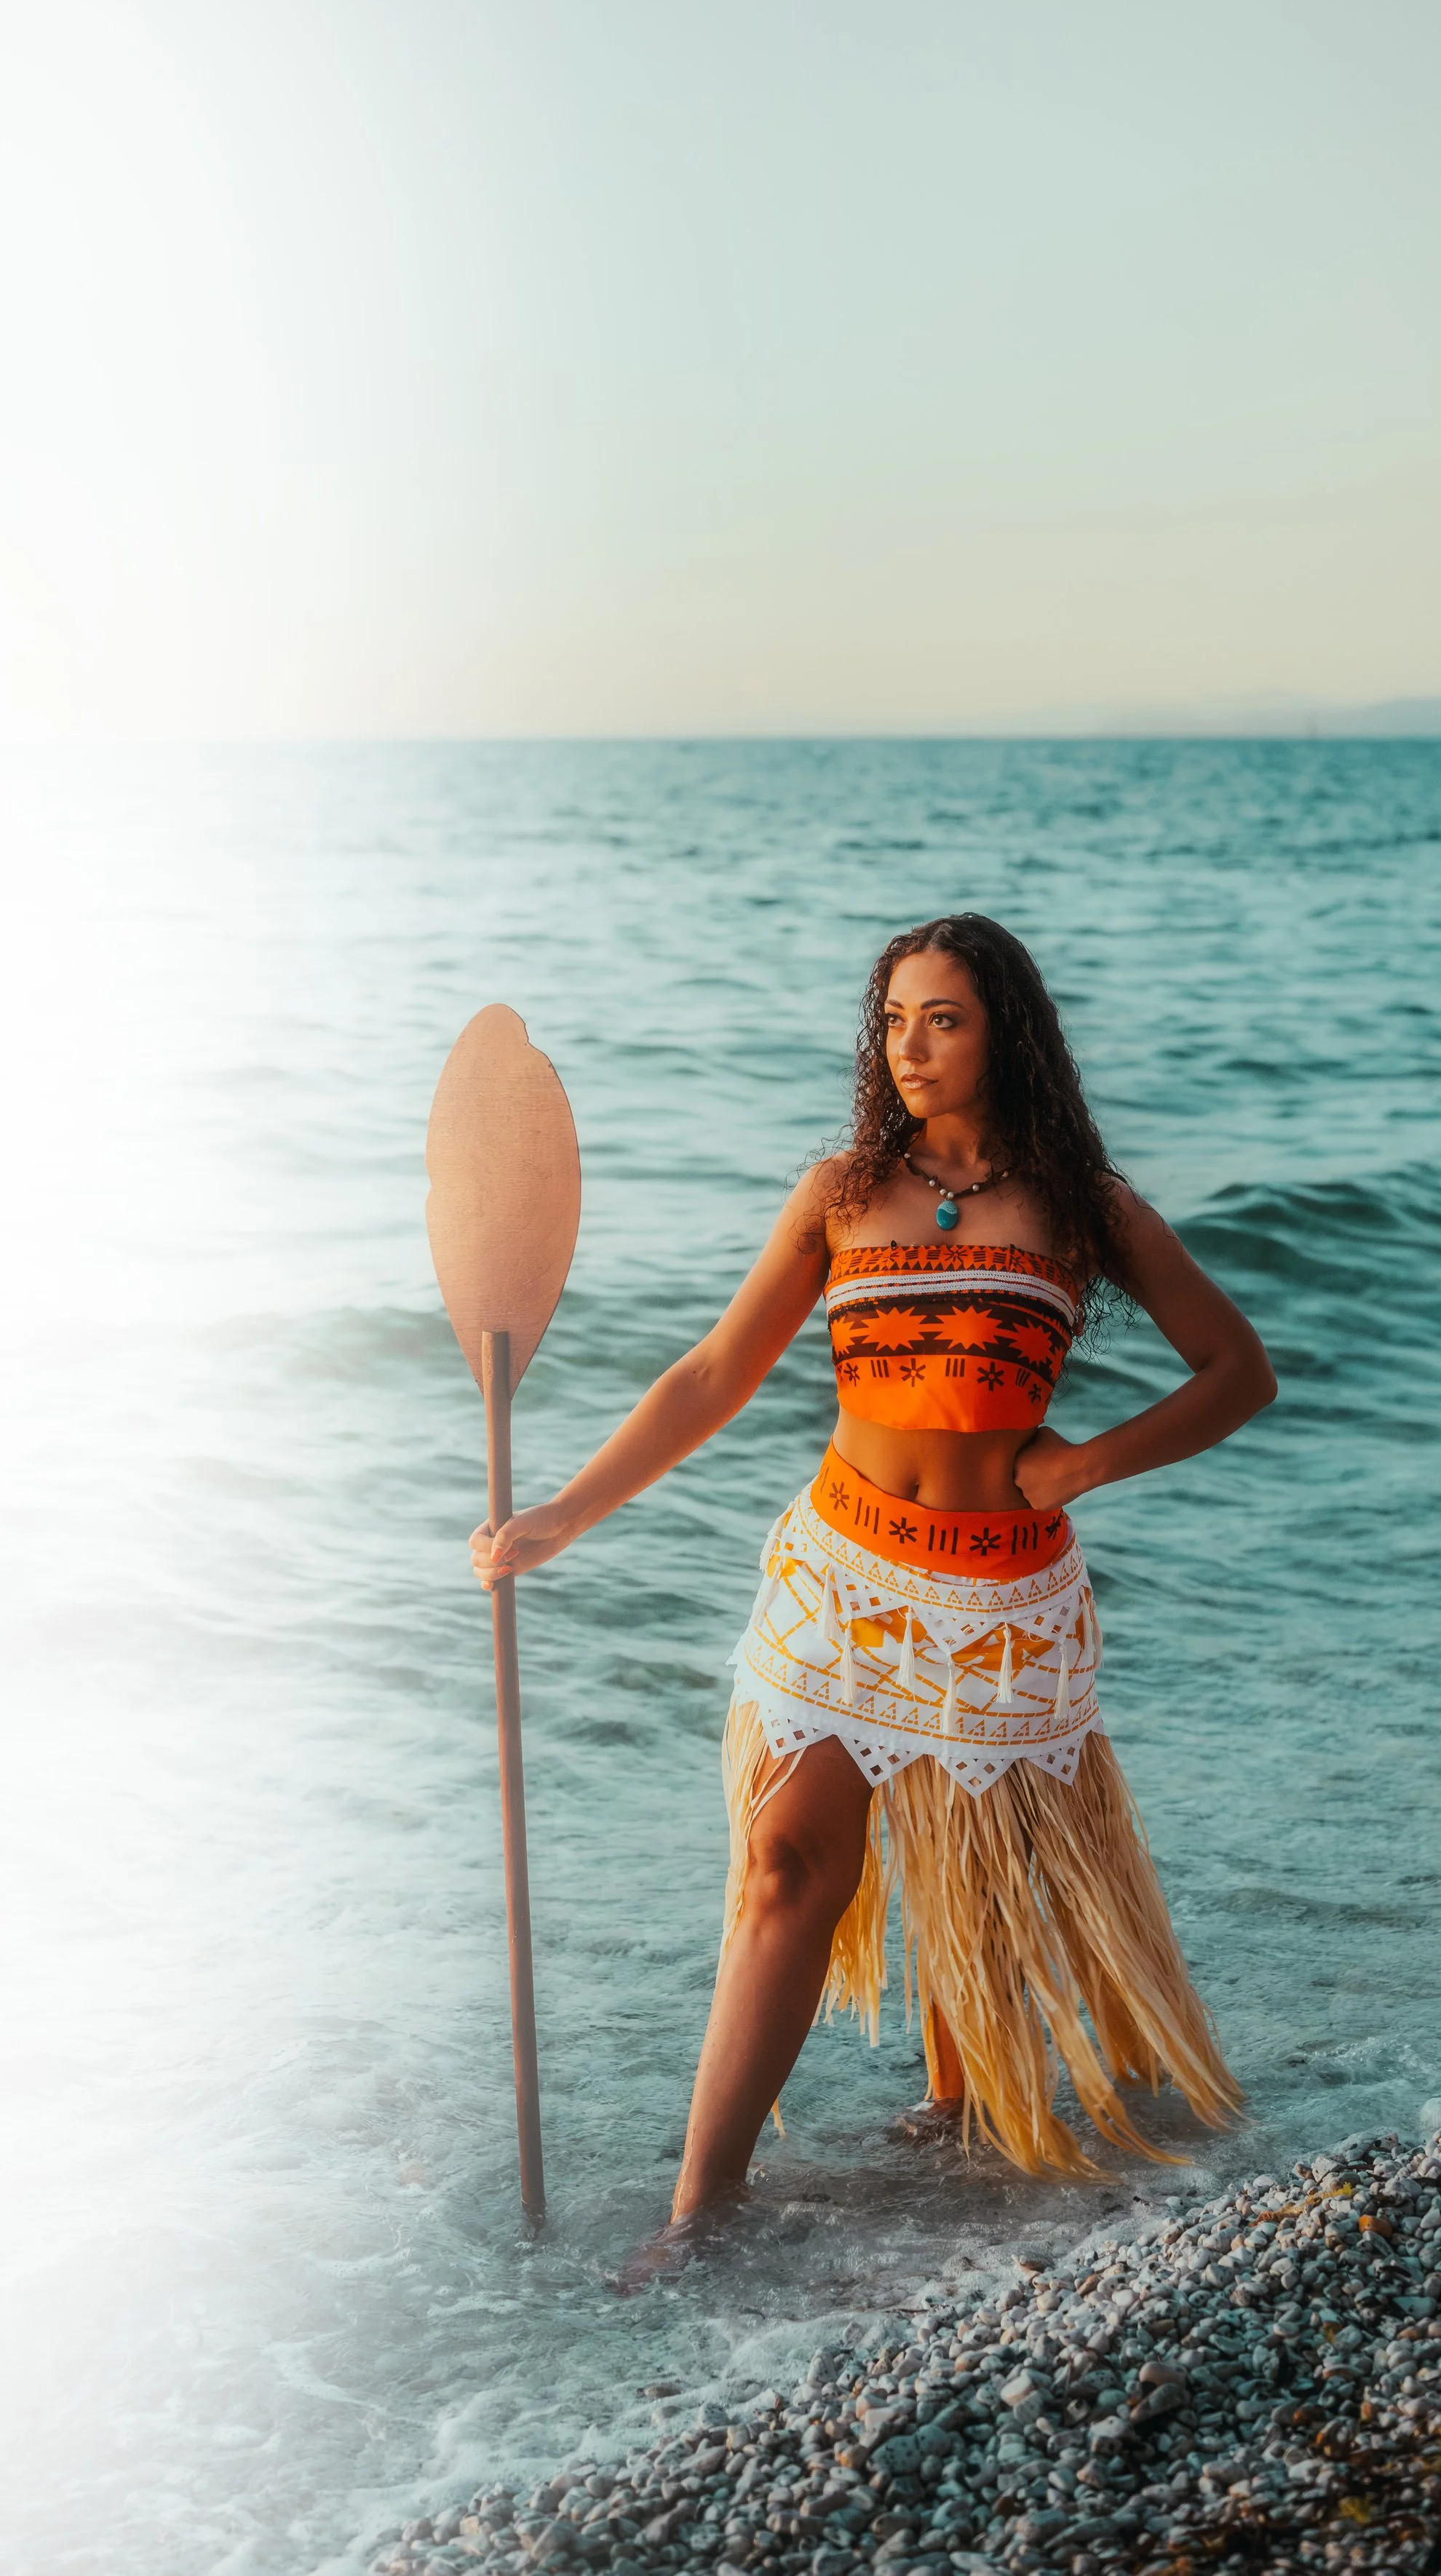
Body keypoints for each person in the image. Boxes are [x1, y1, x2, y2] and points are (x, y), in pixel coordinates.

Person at [470, 914, 1275, 2227]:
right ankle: (701, 2210)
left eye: (943, 1017)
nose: (910, 1044)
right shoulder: (841, 1192)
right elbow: (715, 1373)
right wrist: (569, 1510)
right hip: (836, 1582)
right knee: (789, 1865)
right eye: (894, 1018)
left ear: (1004, 1032)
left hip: (1000, 1611)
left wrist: (1085, 1466)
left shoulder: (1085, 1208)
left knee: (973, 1906)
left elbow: (1240, 1372)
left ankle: (960, 2132)